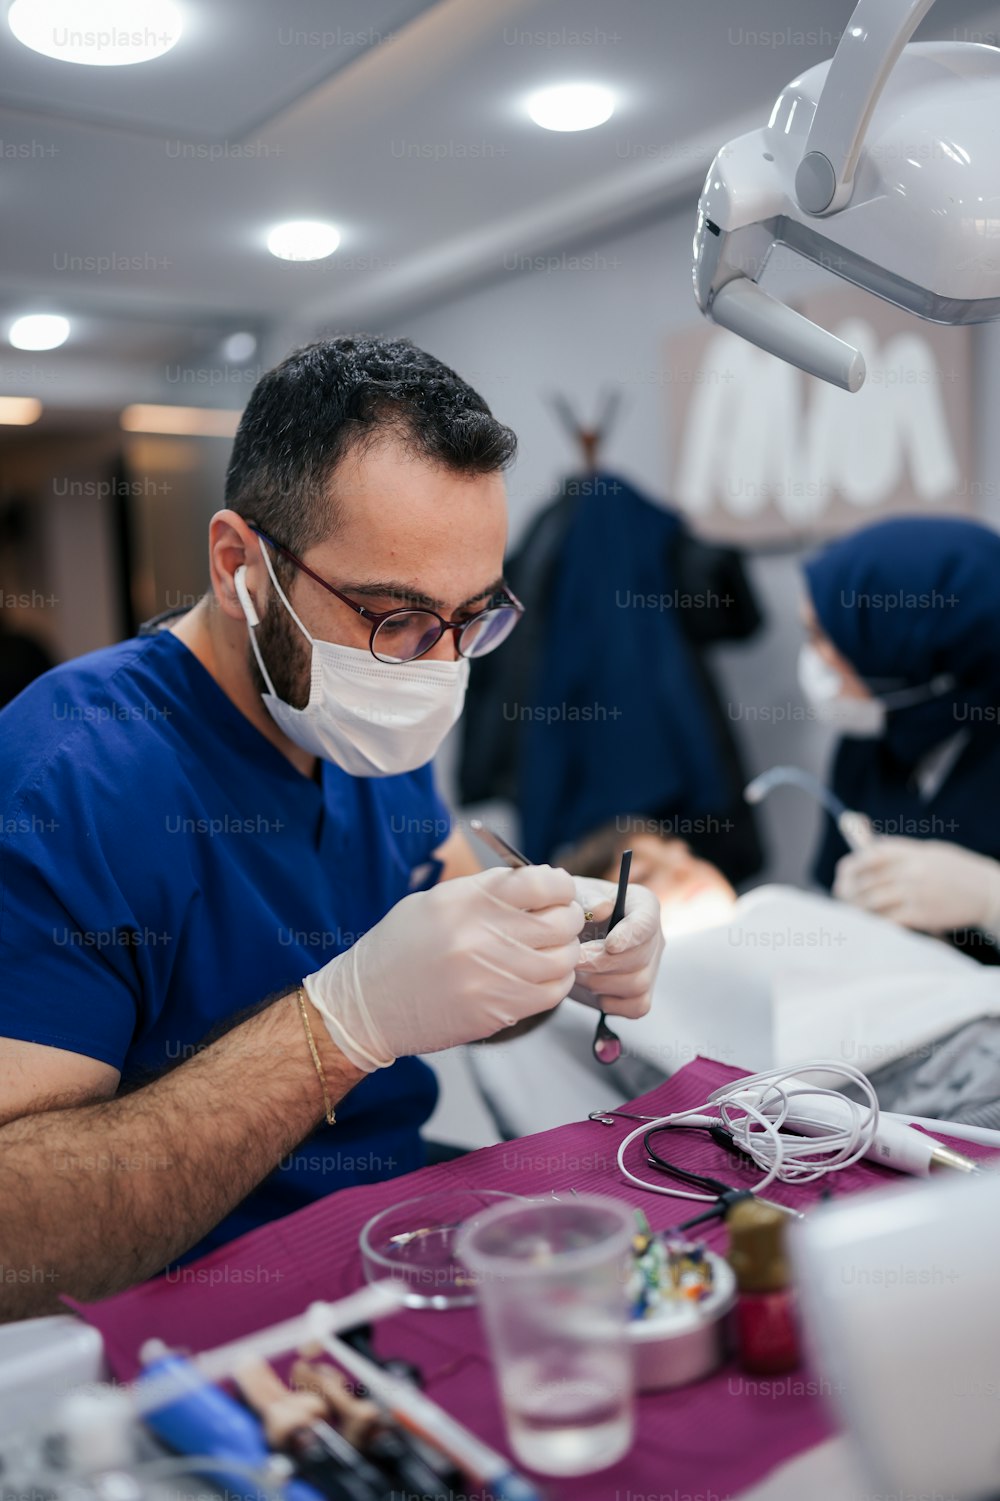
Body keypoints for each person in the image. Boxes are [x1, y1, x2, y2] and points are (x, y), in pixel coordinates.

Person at [0, 336, 663, 1318]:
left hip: (394, 1245)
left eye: (471, 616)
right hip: (195, 1320)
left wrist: (562, 948)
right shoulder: (69, 775)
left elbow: (452, 971)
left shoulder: (358, 723)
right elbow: (20, 1232)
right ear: (240, 566)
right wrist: (335, 1027)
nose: (434, 668)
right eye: (392, 615)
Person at [799, 515, 1000, 960]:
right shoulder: (867, 744)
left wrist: (990, 899)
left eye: (823, 637)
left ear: (902, 646)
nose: (814, 662)